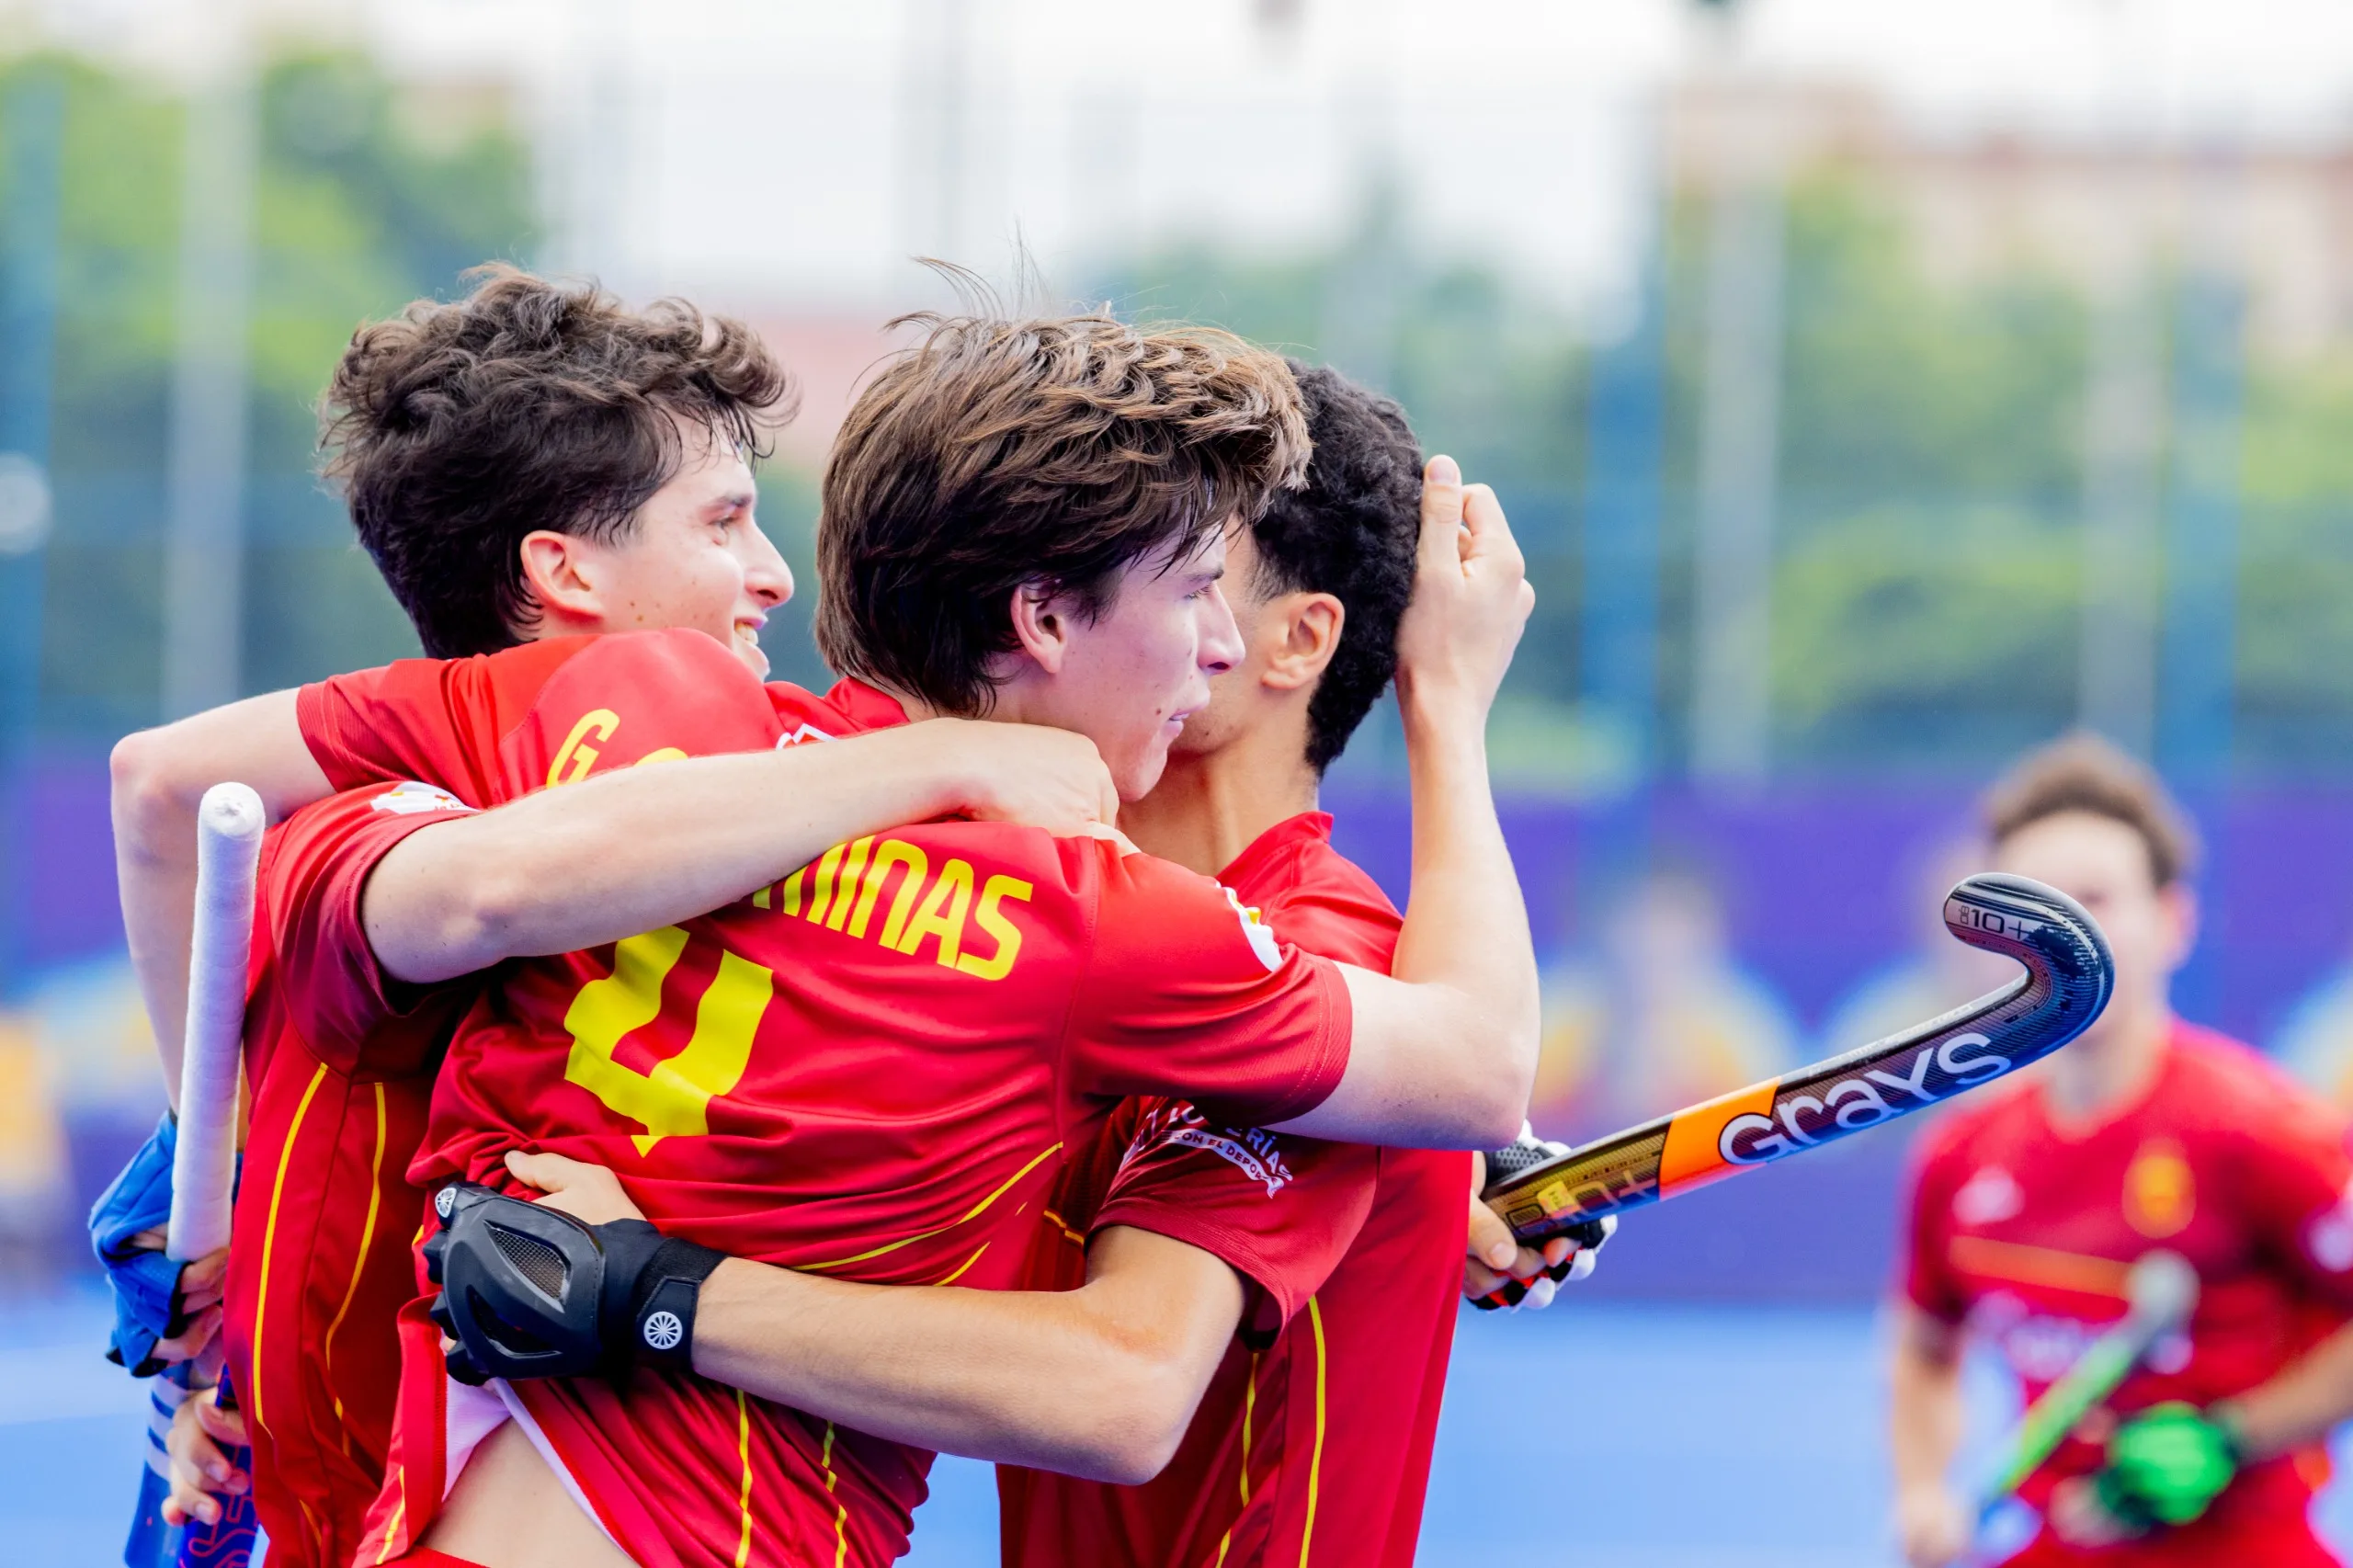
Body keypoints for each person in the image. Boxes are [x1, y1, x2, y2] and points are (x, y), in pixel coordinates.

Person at [255, 309, 1539, 1567]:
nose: (1209, 644)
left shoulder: (639, 737)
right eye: (1193, 588)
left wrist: (205, 1209)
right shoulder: (1106, 925)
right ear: (1043, 616)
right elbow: (1474, 1071)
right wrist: (1450, 704)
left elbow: (189, 793)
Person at [105, 267, 1120, 1566]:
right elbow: (158, 778)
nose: (768, 577)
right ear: (564, 570)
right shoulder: (486, 735)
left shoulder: (676, 792)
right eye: (725, 523)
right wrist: (217, 1152)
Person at [1890, 733, 2353, 1568]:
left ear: (2173, 924)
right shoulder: (1958, 1155)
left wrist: (2230, 1438)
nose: (2064, 938)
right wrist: (1924, 1493)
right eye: (2035, 906)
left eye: (2094, 901)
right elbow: (1924, 1344)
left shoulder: (2265, 1131)